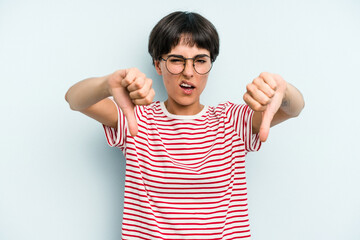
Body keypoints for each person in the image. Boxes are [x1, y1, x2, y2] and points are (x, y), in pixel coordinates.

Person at [65, 11, 304, 240]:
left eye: (200, 60)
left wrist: (283, 90)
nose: (188, 72)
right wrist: (106, 84)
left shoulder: (231, 122)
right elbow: (75, 100)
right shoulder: (136, 119)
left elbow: (294, 107)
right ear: (158, 65)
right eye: (177, 61)